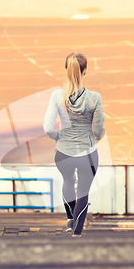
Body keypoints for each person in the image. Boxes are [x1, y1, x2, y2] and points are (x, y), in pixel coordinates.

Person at [43, 52, 105, 237]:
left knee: (68, 182)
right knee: (83, 192)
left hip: (64, 152)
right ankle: (76, 233)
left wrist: (59, 137)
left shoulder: (57, 96)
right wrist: (96, 137)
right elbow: (98, 130)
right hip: (87, 152)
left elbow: (47, 127)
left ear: (66, 71)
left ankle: (70, 220)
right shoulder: (94, 98)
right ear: (85, 71)